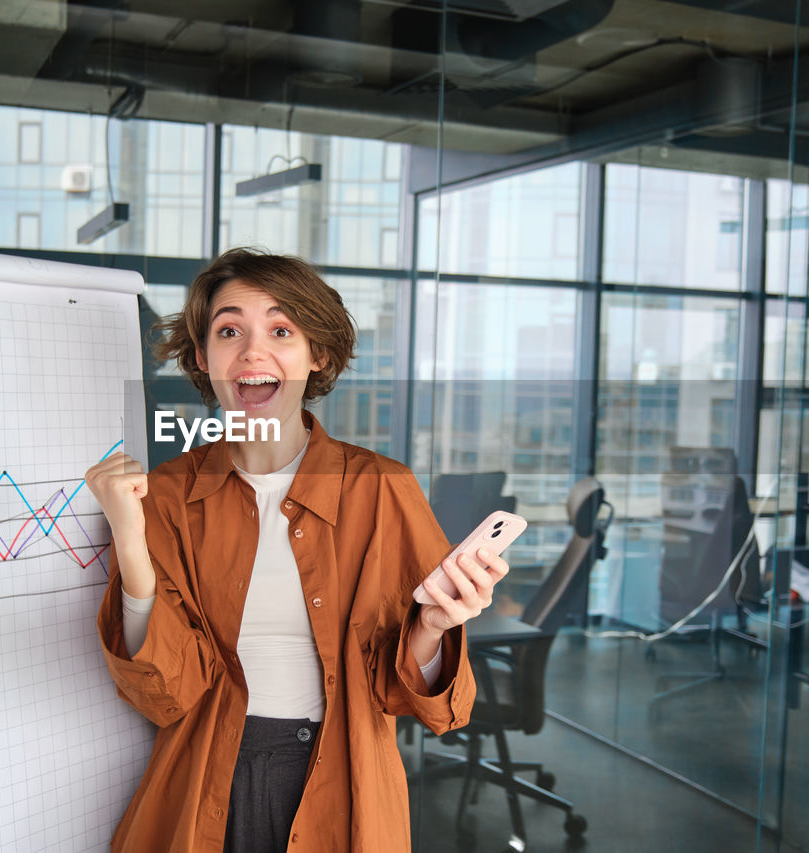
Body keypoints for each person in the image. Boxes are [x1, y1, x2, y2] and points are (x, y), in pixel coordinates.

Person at [86, 248, 510, 851]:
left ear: (319, 357)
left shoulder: (382, 488)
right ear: (204, 359)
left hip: (343, 778)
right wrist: (130, 540)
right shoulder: (167, 495)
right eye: (229, 331)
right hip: (207, 775)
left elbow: (419, 698)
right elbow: (164, 692)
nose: (253, 351)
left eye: (282, 331)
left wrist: (434, 628)